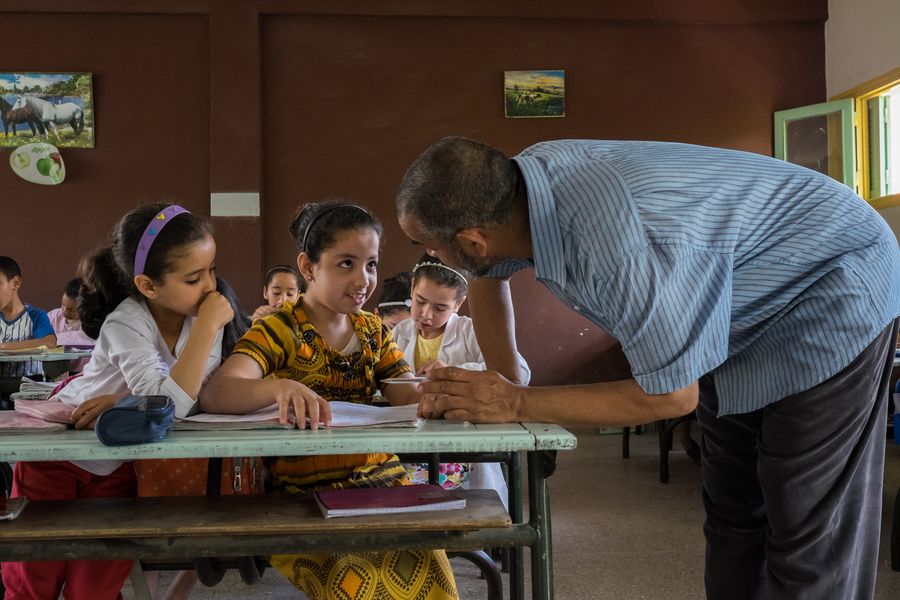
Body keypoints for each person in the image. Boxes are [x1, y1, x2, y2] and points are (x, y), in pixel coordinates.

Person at [396, 136, 900, 600]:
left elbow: (672, 398)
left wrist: (514, 402)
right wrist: (507, 389)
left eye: (431, 246)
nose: (431, 257)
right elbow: (486, 276)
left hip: (834, 281)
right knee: (734, 513)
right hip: (739, 302)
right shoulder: (517, 190)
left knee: (805, 520)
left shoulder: (618, 248)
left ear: (472, 238)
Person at [201, 200, 459, 600]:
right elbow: (218, 393)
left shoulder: (373, 330)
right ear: (307, 267)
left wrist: (438, 387)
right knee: (354, 579)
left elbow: (403, 392)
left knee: (431, 568)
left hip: (381, 480)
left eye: (370, 264)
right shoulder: (279, 328)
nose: (363, 279)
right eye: (346, 264)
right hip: (301, 491)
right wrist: (276, 388)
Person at [0, 204, 235, 600]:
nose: (212, 287)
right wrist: (207, 330)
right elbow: (172, 405)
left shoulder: (203, 316)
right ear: (147, 285)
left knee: (95, 588)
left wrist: (124, 400)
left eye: (212, 270)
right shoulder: (127, 321)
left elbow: (190, 400)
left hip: (117, 465)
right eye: (195, 277)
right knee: (33, 581)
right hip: (55, 458)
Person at [393, 254, 530, 502]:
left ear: (458, 304)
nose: (426, 314)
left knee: (458, 501)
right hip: (413, 437)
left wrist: (455, 371)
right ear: (412, 288)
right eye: (420, 301)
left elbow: (521, 372)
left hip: (462, 441)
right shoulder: (399, 333)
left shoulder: (471, 330)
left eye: (440, 308)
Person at [0, 256, 56, 408]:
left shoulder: (36, 316)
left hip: (28, 386)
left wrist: (4, 347)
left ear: (15, 283)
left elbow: (49, 343)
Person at [45, 277, 94, 377]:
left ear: (85, 307)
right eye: (63, 305)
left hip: (82, 374)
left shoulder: (92, 324)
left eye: (71, 310)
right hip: (53, 374)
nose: (65, 311)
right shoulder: (52, 317)